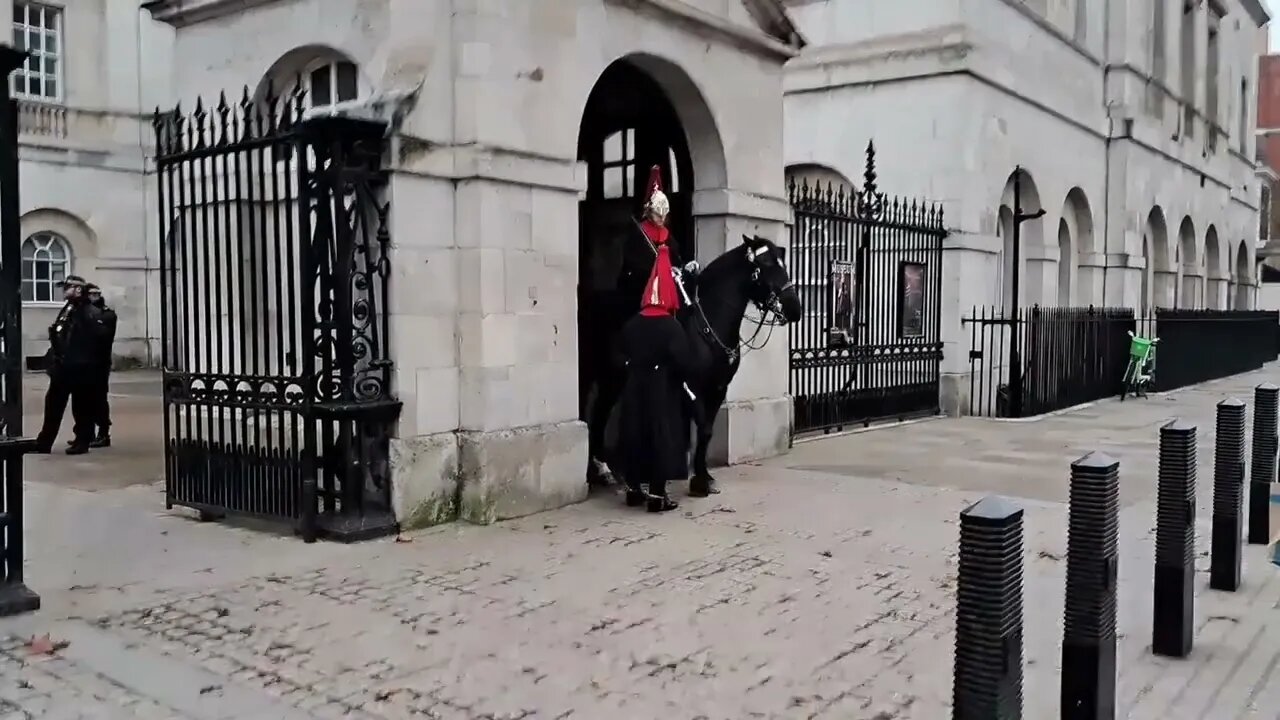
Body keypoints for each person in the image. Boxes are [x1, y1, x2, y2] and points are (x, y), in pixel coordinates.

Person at [615, 168, 694, 513]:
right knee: (662, 433)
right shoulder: (639, 240)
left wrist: (681, 269)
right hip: (661, 379)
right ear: (650, 210)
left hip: (637, 375)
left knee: (634, 431)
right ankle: (658, 494)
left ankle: (633, 487)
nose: (661, 216)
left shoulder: (668, 240)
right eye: (657, 210)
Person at [35, 275, 109, 455]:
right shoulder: (69, 308)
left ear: (77, 290)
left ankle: (82, 442)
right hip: (63, 367)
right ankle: (44, 442)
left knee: (81, 407)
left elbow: (98, 337)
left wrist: (86, 360)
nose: (64, 291)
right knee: (52, 405)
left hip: (80, 368)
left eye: (67, 287)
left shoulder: (88, 311)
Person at [85, 284, 116, 448]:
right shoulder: (81, 312)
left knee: (99, 399)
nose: (94, 296)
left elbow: (103, 335)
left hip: (99, 362)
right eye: (91, 294)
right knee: (84, 400)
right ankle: (87, 434)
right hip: (84, 362)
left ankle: (103, 433)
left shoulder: (107, 314)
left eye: (96, 294)